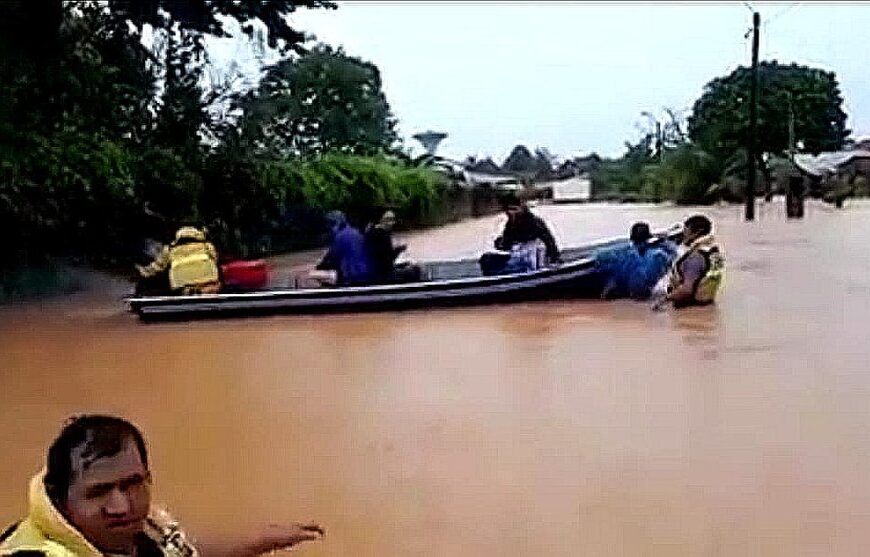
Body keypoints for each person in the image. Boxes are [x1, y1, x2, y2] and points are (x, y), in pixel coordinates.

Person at [0, 415, 324, 557]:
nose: (121, 506)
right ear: (61, 499)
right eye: (99, 492)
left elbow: (184, 551)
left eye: (132, 484)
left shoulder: (141, 530)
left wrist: (266, 539)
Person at [480, 194, 561, 275]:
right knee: (486, 259)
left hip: (532, 260)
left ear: (521, 208)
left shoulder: (534, 222)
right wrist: (499, 242)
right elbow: (505, 245)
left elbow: (550, 242)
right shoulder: (510, 225)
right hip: (516, 257)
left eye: (514, 209)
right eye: (508, 210)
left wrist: (554, 259)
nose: (510, 212)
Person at [599, 222, 678, 300]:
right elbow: (676, 255)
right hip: (651, 294)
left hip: (631, 294)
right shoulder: (659, 255)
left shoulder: (623, 256)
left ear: (631, 238)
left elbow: (614, 278)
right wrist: (664, 241)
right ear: (648, 238)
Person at [659, 214, 724, 309]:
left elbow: (686, 290)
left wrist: (662, 301)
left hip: (687, 308)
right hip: (706, 306)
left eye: (685, 231)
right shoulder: (712, 251)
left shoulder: (694, 258)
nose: (683, 235)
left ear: (697, 232)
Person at [136, 227, 221, 295]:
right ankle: (205, 290)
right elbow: (215, 259)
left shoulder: (170, 249)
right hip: (208, 280)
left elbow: (158, 266)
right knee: (212, 286)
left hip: (182, 284)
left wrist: (143, 271)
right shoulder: (206, 246)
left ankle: (191, 291)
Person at [363, 209, 422, 284]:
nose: (392, 223)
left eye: (393, 220)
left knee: (407, 264)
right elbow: (388, 259)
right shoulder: (382, 235)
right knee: (415, 269)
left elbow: (386, 255)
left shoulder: (372, 232)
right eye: (389, 219)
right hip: (384, 275)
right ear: (381, 220)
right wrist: (399, 250)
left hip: (377, 271)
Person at [315, 211, 373, 286]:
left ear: (335, 224)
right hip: (365, 271)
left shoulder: (339, 236)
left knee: (322, 274)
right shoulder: (356, 232)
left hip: (350, 274)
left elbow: (332, 256)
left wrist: (321, 264)